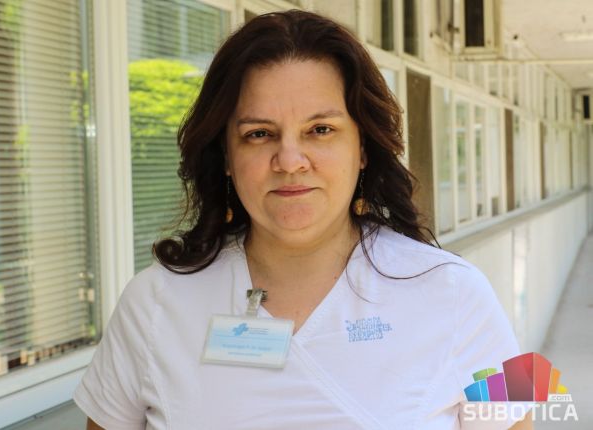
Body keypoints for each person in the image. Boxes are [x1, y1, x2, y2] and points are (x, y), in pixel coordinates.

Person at [74, 10, 532, 430]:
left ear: (363, 148)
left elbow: (518, 421)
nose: (290, 161)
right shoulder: (153, 303)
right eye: (259, 134)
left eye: (320, 130)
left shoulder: (460, 292)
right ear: (226, 156)